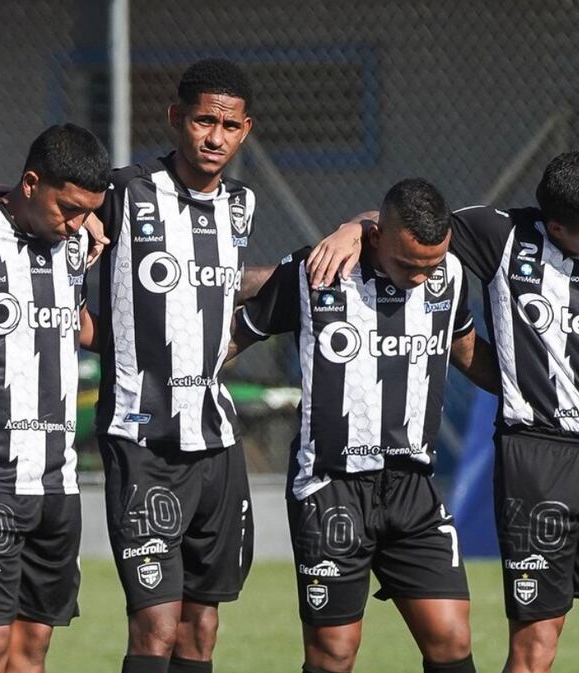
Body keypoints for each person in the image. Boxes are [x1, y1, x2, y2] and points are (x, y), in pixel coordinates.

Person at [310, 152, 579, 673]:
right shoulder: (500, 236)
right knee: (537, 645)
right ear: (559, 226)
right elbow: (411, 224)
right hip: (540, 460)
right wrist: (354, 226)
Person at [232, 178, 499, 673]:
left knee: (451, 638)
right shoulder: (315, 273)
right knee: (334, 652)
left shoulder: (450, 277)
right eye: (408, 266)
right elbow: (235, 337)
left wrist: (533, 389)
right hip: (330, 487)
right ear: (376, 239)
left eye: (431, 266)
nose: (421, 278)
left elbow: (463, 348)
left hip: (413, 489)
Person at [93, 58, 265, 673]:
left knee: (201, 627)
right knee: (156, 626)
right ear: (175, 119)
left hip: (216, 442)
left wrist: (348, 236)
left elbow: (226, 287)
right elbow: (28, 201)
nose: (214, 137)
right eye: (202, 121)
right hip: (144, 443)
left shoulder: (242, 205)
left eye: (228, 125)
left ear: (245, 130)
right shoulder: (121, 191)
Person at [0, 123, 107, 673]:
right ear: (31, 183)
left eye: (88, 212)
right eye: (69, 208)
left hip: (57, 481)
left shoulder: (76, 242)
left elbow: (79, 326)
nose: (78, 224)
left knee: (32, 649)